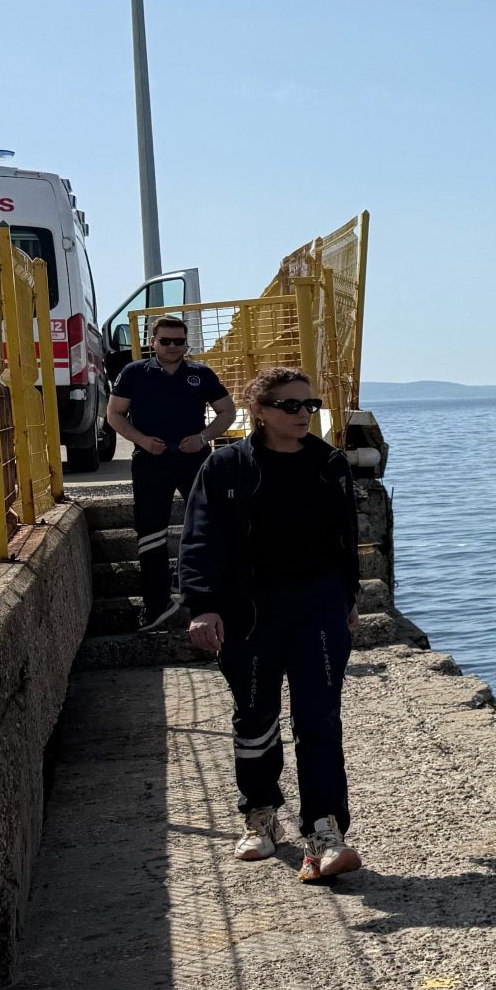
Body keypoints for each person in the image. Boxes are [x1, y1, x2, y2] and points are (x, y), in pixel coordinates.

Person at [178, 366, 364, 881]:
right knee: (255, 717)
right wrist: (202, 606)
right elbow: (199, 539)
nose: (304, 414)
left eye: (310, 405)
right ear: (259, 411)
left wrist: (348, 598)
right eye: (290, 405)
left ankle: (324, 833)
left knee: (319, 720)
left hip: (318, 609)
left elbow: (345, 538)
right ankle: (260, 815)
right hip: (250, 613)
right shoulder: (226, 467)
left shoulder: (329, 464)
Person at [106, 315, 235, 631]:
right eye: (165, 341)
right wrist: (142, 441)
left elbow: (227, 411)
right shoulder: (134, 373)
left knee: (208, 528)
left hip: (195, 460)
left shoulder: (200, 374)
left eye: (179, 341)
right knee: (150, 532)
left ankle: (208, 599)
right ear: (153, 342)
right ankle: (155, 605)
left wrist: (203, 437)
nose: (173, 347)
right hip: (151, 461)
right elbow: (114, 415)